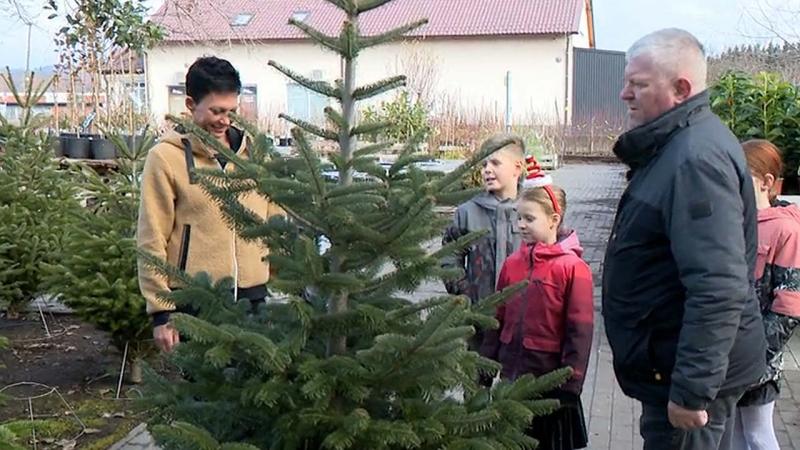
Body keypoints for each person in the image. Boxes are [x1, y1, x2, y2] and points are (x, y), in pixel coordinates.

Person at [602, 28, 767, 449]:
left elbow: (718, 286)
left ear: (680, 88)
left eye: (637, 85)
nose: (625, 94)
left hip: (685, 380)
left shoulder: (694, 160)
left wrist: (691, 390)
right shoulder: (678, 146)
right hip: (674, 366)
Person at [137, 56, 283, 353]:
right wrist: (161, 312)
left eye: (232, 111)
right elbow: (151, 238)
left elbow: (276, 221)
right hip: (195, 302)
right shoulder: (165, 158)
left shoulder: (257, 154)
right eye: (216, 111)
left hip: (254, 300)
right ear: (191, 104)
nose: (225, 120)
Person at [480, 182, 593, 450]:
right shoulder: (512, 264)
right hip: (510, 380)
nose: (520, 225)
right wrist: (485, 370)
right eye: (519, 217)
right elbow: (497, 318)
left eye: (529, 218)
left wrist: (571, 383)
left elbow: (580, 331)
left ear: (554, 220)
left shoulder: (573, 268)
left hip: (549, 385)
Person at [733, 140, 800, 450]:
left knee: (758, 434)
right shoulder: (733, 222)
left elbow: (789, 306)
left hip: (759, 357)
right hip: (728, 354)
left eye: (741, 175)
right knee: (734, 435)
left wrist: (757, 354)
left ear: (766, 182)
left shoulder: (786, 230)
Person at [441, 134, 527, 349]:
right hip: (478, 320)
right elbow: (449, 258)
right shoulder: (467, 212)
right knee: (477, 379)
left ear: (517, 168)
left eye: (495, 163)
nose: (487, 169)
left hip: (524, 320)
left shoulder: (533, 212)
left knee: (517, 380)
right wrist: (465, 293)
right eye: (484, 164)